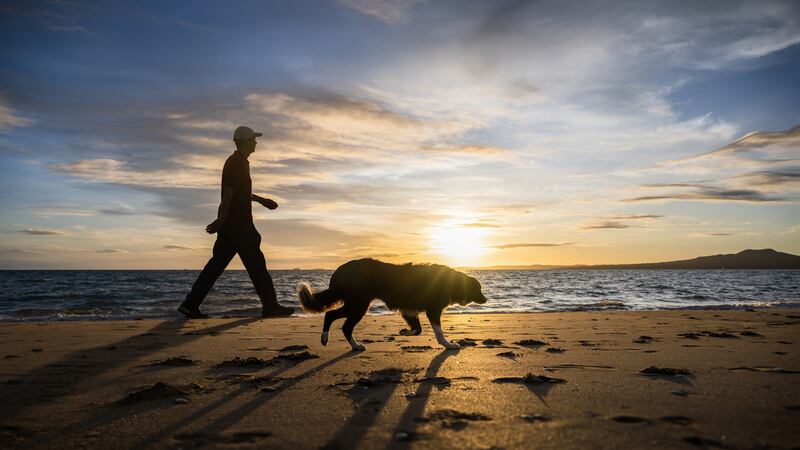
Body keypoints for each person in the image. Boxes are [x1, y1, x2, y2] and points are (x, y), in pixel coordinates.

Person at [178, 126, 294, 319]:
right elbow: (229, 194)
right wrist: (221, 220)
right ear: (245, 141)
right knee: (257, 264)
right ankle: (271, 306)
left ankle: (190, 304)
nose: (256, 142)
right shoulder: (236, 163)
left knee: (216, 266)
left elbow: (240, 193)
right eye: (253, 139)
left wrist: (261, 200)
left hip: (232, 226)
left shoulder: (240, 162)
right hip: (239, 225)